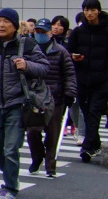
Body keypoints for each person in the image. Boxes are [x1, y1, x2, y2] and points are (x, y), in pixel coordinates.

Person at [0, 8, 49, 199]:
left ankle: (10, 187)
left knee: (10, 148)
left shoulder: (27, 45)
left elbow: (44, 67)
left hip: (17, 104)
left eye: (6, 21)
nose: (1, 24)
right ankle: (10, 175)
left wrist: (28, 65)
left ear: (14, 26)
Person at [66, 0, 108, 163]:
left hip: (102, 81)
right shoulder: (78, 32)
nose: (89, 13)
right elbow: (69, 53)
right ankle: (95, 143)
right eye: (86, 10)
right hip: (82, 79)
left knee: (94, 113)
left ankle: (87, 147)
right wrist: (73, 57)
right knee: (86, 111)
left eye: (92, 10)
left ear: (98, 10)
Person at [26, 18, 77, 178]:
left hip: (55, 97)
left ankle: (50, 165)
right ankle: (37, 157)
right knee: (33, 131)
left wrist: (70, 93)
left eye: (43, 32)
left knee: (53, 132)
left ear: (50, 33)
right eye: (38, 31)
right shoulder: (29, 50)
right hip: (34, 96)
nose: (40, 34)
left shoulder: (60, 51)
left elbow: (69, 74)